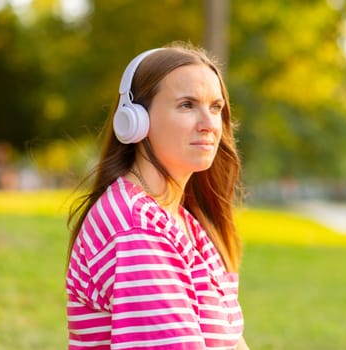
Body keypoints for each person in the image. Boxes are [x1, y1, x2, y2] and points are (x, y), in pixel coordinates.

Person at [66, 42, 250, 350]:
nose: (208, 125)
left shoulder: (183, 222)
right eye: (187, 105)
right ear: (136, 120)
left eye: (215, 107)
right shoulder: (135, 227)